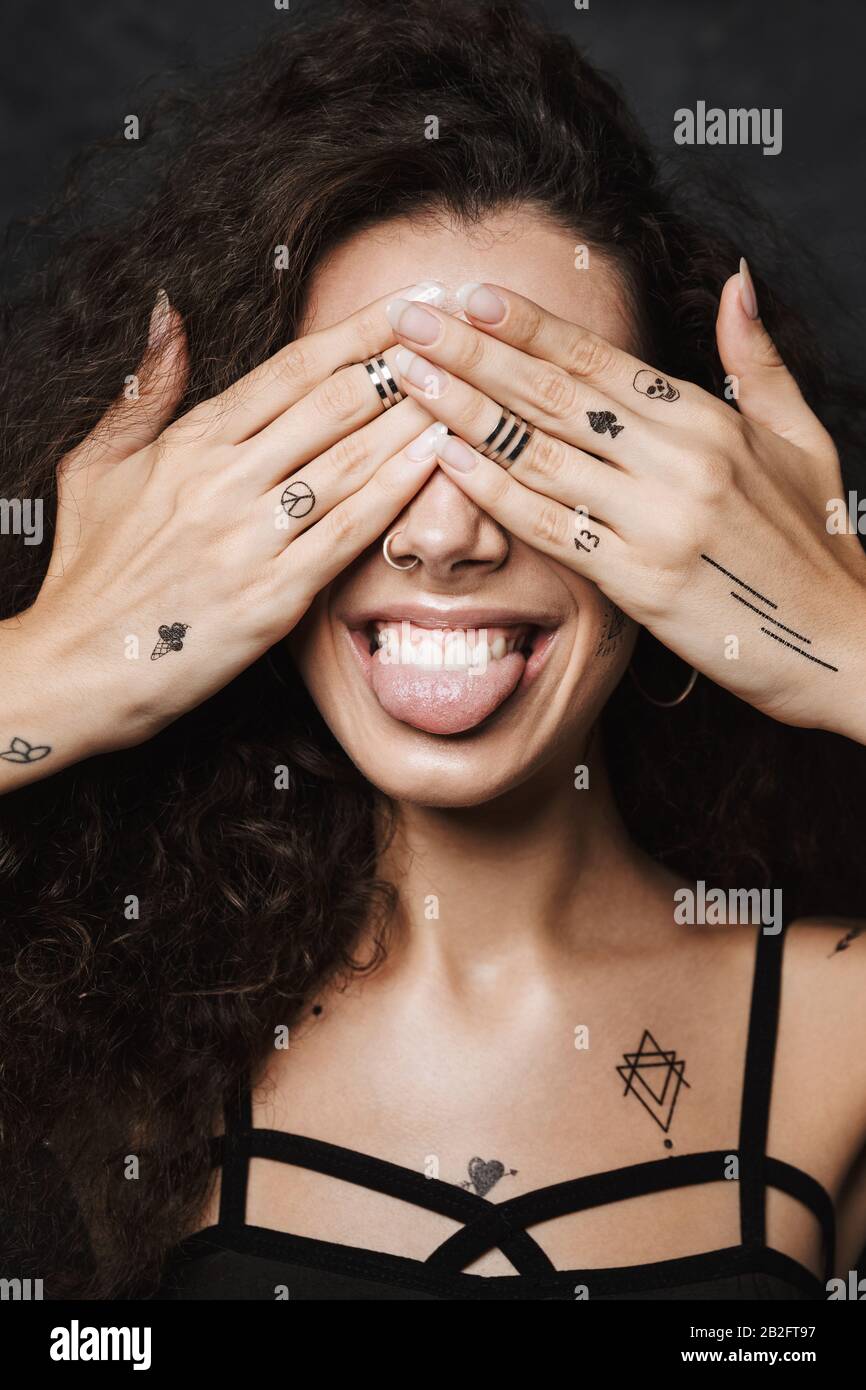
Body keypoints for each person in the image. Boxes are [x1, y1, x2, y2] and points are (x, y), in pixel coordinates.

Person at [1, 0, 865, 1301]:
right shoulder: (93, 1009)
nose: (446, 534)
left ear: (696, 516)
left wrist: (843, 633)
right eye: (362, 439)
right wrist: (58, 662)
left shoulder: (836, 1025)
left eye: (542, 438)